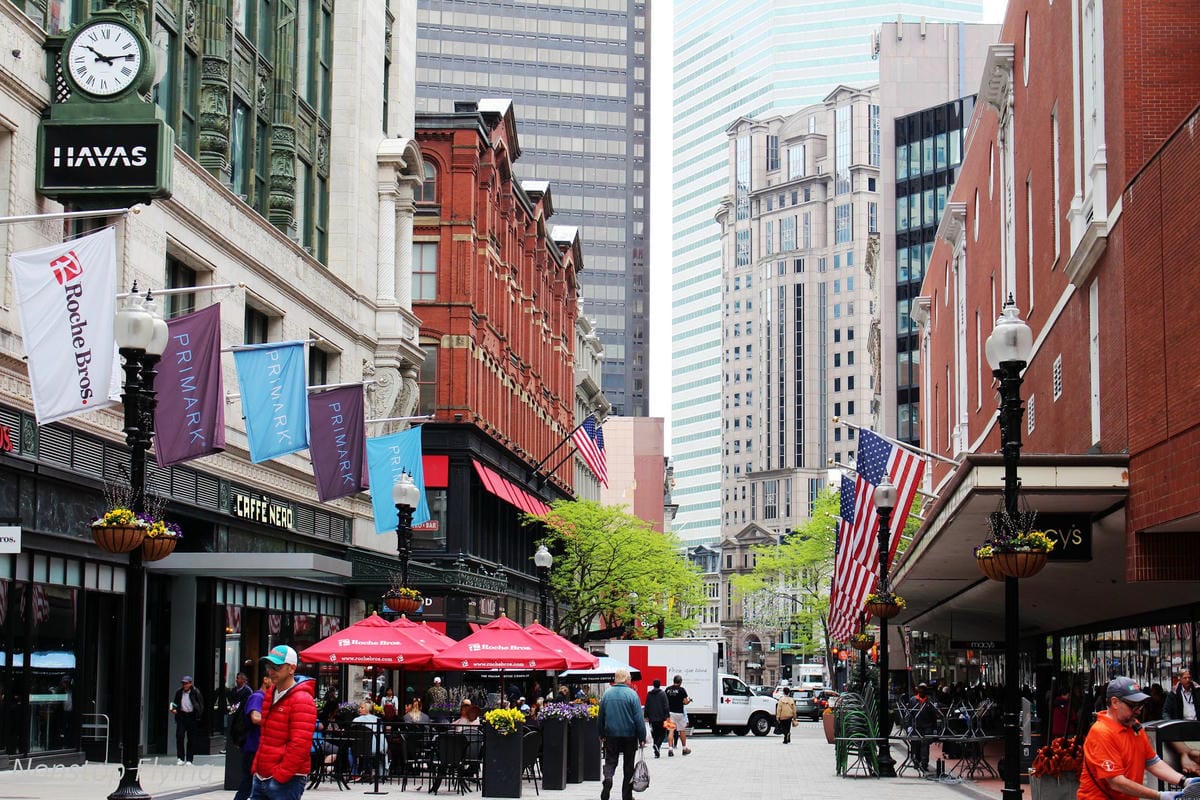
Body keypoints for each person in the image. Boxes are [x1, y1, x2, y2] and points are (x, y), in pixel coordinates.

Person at [1079, 677, 1198, 800]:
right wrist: (1158, 795)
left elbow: (1152, 762)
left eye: (1141, 705)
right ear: (1114, 702)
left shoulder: (1134, 727)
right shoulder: (1102, 733)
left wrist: (1184, 781)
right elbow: (1116, 782)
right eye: (1133, 705)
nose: (1139, 710)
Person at [251, 645, 316, 800]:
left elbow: (300, 744)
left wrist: (281, 775)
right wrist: (257, 768)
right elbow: (266, 735)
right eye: (269, 666)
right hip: (264, 775)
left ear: (291, 668)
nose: (271, 671)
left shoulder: (302, 699)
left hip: (284, 779)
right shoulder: (270, 694)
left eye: (277, 667)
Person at [598, 668, 646, 800]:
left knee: (610, 761)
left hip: (611, 735)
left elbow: (600, 716)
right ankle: (626, 795)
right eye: (629, 678)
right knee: (628, 766)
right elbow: (638, 719)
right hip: (629, 736)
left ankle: (608, 778)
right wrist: (642, 736)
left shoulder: (607, 694)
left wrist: (601, 733)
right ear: (625, 679)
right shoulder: (632, 695)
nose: (630, 681)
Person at [233, 675, 270, 800]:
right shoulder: (257, 697)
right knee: (247, 784)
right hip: (253, 748)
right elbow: (255, 718)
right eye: (273, 679)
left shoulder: (266, 698)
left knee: (255, 785)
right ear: (265, 679)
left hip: (259, 748)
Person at [171, 675, 204, 765]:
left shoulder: (195, 692)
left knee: (191, 739)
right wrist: (173, 709)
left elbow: (200, 704)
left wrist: (198, 714)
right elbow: (174, 702)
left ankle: (189, 759)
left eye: (186, 683)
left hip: (192, 716)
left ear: (190, 684)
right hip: (182, 716)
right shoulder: (179, 692)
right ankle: (180, 758)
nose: (184, 685)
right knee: (180, 736)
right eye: (183, 683)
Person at [664, 674, 692, 756]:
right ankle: (684, 749)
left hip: (669, 713)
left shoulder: (668, 689)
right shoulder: (682, 690)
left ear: (674, 681)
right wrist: (689, 700)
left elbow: (665, 701)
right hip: (679, 713)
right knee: (682, 730)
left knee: (671, 730)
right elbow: (685, 702)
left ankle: (670, 749)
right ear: (680, 682)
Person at [643, 679, 670, 757]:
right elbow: (666, 706)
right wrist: (667, 716)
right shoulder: (663, 694)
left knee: (655, 734)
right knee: (662, 733)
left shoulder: (649, 694)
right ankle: (657, 746)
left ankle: (656, 751)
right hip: (661, 717)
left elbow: (647, 705)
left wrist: (646, 716)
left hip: (652, 718)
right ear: (659, 685)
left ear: (653, 685)